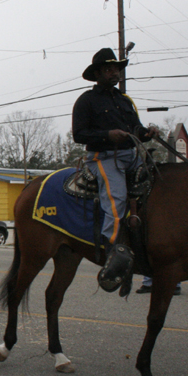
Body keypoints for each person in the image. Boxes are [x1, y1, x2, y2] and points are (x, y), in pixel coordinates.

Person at [72, 48, 160, 294]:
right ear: (98, 73)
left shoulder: (125, 100)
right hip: (103, 158)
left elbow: (137, 129)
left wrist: (147, 133)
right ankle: (114, 258)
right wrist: (106, 135)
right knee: (117, 199)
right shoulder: (86, 101)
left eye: (117, 69)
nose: (115, 73)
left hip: (131, 155)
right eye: (109, 69)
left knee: (159, 187)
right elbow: (78, 134)